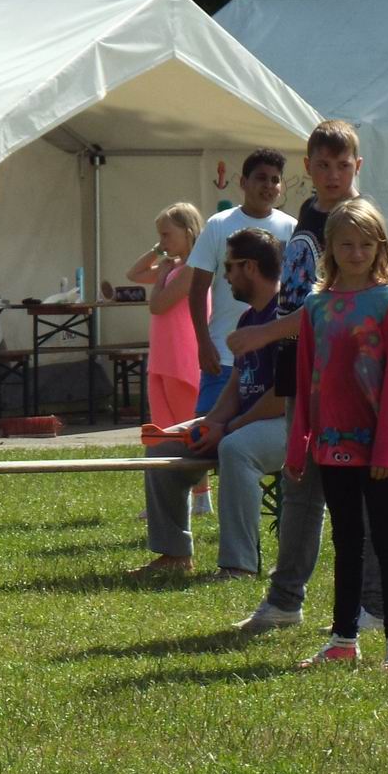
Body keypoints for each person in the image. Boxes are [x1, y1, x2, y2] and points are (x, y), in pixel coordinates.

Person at [229, 119, 384, 632]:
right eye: (323, 165)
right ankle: (285, 601)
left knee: (357, 495)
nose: (333, 174)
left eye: (342, 165)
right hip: (301, 369)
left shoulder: (358, 222)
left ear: (358, 166)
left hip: (345, 380)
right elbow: (301, 288)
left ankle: (373, 606)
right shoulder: (310, 214)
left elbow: (340, 305)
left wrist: (264, 333)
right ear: (308, 167)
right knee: (299, 487)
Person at [288, 199, 388, 671]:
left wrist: (387, 448)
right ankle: (343, 639)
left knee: (386, 539)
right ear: (330, 249)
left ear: (379, 247)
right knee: (346, 540)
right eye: (346, 244)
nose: (356, 253)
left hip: (376, 448)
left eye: (365, 244)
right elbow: (306, 379)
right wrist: (299, 445)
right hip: (331, 445)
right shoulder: (316, 306)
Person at [132, 228, 288, 580]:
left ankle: (239, 565)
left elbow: (283, 396)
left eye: (229, 267)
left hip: (288, 424)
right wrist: (210, 422)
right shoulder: (248, 318)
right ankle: (174, 554)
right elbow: (236, 386)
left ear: (250, 267)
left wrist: (228, 428)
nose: (225, 276)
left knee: (235, 448)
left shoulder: (285, 318)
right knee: (163, 447)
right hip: (245, 423)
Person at [186, 149, 296, 416]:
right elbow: (198, 289)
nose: (268, 185)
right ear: (243, 182)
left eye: (275, 180)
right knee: (208, 428)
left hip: (272, 354)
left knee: (256, 428)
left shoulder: (292, 228)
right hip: (223, 355)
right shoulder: (218, 225)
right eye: (261, 178)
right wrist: (203, 344)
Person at [122, 201, 209, 514]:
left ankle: (201, 495)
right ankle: (167, 496)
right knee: (161, 430)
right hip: (162, 358)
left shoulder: (194, 268)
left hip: (183, 359)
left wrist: (161, 276)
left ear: (188, 233)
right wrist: (158, 252)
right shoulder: (171, 267)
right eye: (159, 235)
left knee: (188, 431)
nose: (162, 241)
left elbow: (157, 304)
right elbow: (133, 273)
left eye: (167, 235)